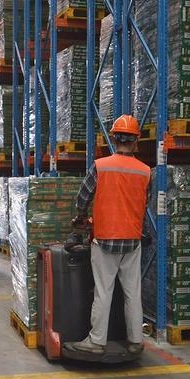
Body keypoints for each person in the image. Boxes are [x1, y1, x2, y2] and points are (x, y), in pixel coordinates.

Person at [67, 114, 151, 356]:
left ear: (114, 139)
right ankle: (136, 341)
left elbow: (83, 197)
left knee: (104, 291)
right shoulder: (146, 171)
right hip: (132, 240)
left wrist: (81, 217)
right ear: (136, 141)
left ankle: (96, 341)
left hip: (105, 239)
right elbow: (144, 203)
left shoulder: (101, 166)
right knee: (132, 293)